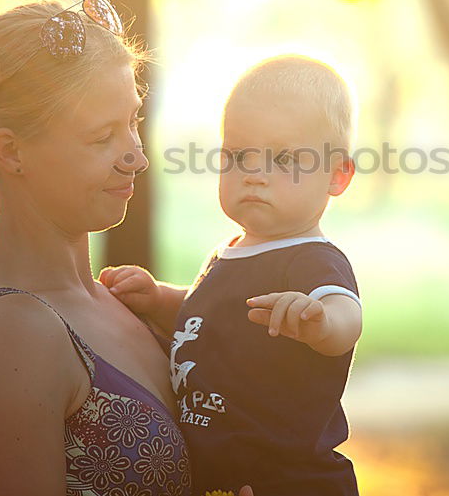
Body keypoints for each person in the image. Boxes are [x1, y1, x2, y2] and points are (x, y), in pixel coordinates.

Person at [0, 0, 207, 496]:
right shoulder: (11, 334)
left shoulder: (122, 301)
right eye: (103, 138)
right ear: (11, 151)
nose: (137, 159)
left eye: (134, 122)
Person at [102, 55, 363, 496]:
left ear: (337, 175)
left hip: (290, 479)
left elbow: (347, 317)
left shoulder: (311, 259)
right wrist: (158, 298)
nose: (255, 176)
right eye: (238, 156)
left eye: (283, 159)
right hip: (219, 477)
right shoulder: (229, 254)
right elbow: (206, 314)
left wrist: (319, 321)